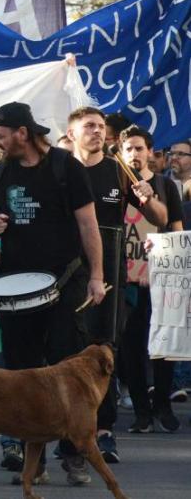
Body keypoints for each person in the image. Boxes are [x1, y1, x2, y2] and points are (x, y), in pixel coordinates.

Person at [0, 101, 105, 487]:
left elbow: (88, 226)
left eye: (2, 136)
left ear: (23, 132)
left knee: (68, 367)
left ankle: (74, 454)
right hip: (16, 285)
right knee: (21, 374)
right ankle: (33, 461)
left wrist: (97, 275)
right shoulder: (0, 171)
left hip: (64, 280)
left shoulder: (66, 168)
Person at [66, 108, 166, 464]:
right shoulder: (61, 168)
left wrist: (147, 195)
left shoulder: (119, 169)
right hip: (66, 269)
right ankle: (67, 430)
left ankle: (103, 430)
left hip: (110, 269)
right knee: (66, 347)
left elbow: (160, 217)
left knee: (104, 349)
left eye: (100, 127)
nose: (98, 132)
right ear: (72, 132)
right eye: (89, 126)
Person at [119, 126, 184, 434]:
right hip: (127, 280)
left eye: (139, 148)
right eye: (128, 149)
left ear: (150, 152)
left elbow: (176, 230)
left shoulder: (165, 186)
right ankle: (142, 412)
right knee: (131, 346)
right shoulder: (115, 186)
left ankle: (163, 404)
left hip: (161, 279)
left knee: (163, 343)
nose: (134, 154)